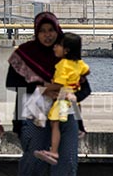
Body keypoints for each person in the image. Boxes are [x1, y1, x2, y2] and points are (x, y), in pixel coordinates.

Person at [5, 12, 89, 176]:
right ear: (36, 32)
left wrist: (67, 94)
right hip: (34, 116)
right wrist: (41, 88)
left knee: (67, 162)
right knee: (32, 162)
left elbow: (85, 88)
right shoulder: (25, 54)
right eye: (42, 31)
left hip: (65, 115)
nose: (47, 35)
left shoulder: (68, 56)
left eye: (51, 30)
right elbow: (11, 82)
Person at [34, 33, 90, 165]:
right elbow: (86, 72)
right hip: (70, 102)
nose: (54, 47)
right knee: (57, 122)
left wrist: (43, 88)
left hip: (63, 101)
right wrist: (78, 78)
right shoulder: (78, 63)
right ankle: (77, 130)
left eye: (58, 45)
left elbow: (58, 85)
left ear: (66, 50)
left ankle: (53, 151)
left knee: (55, 124)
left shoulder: (62, 65)